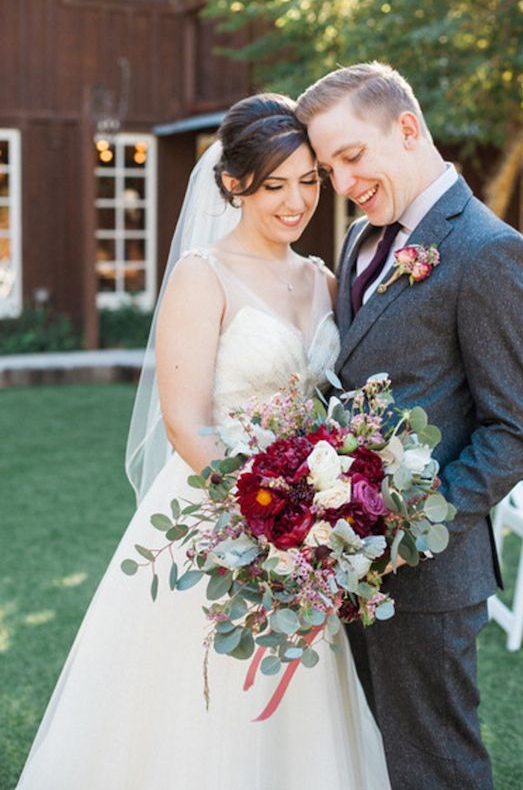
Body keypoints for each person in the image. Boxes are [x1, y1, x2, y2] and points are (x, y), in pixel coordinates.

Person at [16, 94, 391, 790]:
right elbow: (188, 425)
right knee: (203, 709)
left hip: (309, 532)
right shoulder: (202, 275)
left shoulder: (324, 279)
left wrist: (325, 513)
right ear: (233, 183)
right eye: (275, 183)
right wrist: (277, 517)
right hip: (223, 516)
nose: (295, 200)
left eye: (308, 180)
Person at [296, 61, 523, 789]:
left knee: (436, 768)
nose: (340, 184)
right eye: (327, 167)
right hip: (350, 566)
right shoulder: (357, 242)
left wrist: (404, 530)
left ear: (407, 129)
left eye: (350, 158)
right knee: (373, 761)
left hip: (430, 574)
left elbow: (514, 431)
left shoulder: (489, 251)